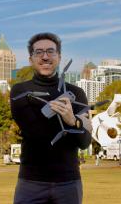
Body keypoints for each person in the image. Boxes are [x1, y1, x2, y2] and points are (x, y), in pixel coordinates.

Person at [10, 32, 92, 204]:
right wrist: (74, 124)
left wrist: (72, 121)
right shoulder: (20, 91)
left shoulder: (77, 93)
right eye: (38, 52)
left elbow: (84, 142)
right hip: (31, 182)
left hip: (68, 182)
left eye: (50, 51)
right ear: (31, 59)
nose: (45, 56)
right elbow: (34, 132)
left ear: (59, 57)